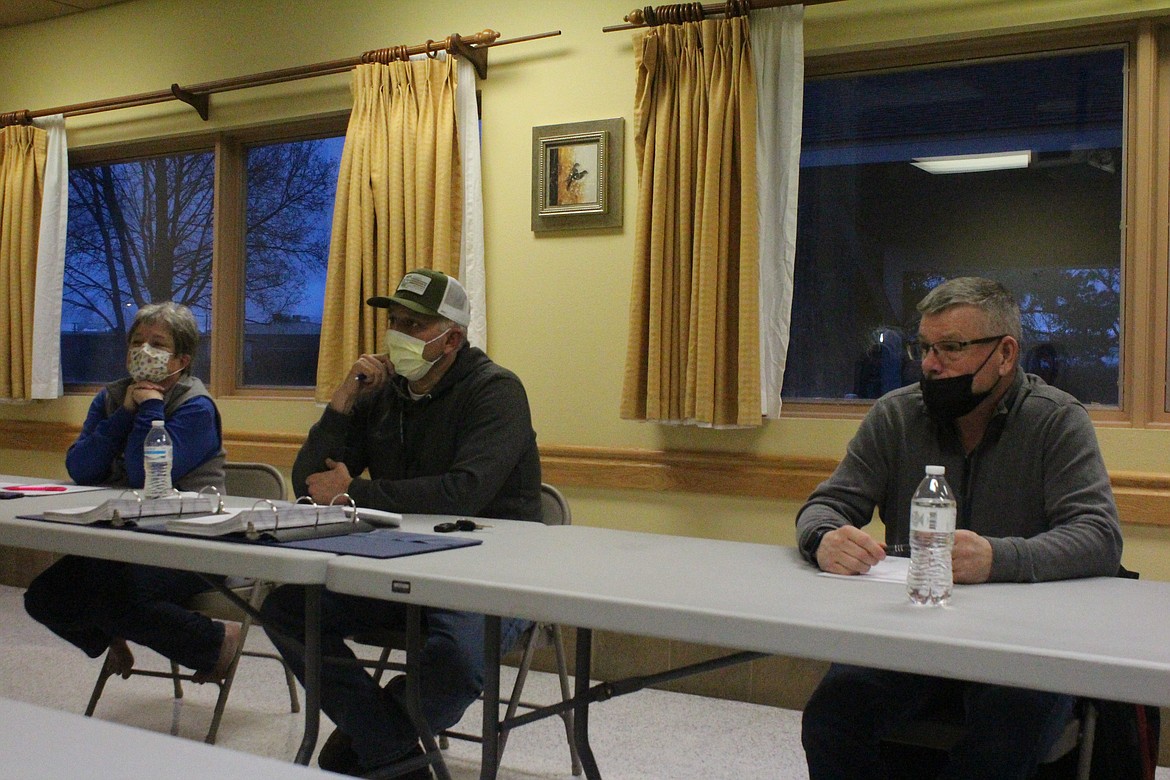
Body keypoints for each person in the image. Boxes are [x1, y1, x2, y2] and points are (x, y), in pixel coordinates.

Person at [795, 277, 1123, 779]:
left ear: (1005, 354)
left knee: (997, 746)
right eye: (924, 347)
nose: (930, 363)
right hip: (912, 630)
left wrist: (997, 558)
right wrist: (825, 538)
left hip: (1024, 641)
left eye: (951, 348)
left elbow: (1098, 535)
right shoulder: (897, 415)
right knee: (831, 717)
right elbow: (827, 506)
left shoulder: (1057, 421)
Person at [261, 269, 542, 779]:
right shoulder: (382, 393)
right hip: (401, 562)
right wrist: (342, 401)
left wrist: (356, 491)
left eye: (412, 324)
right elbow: (310, 483)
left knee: (456, 659)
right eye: (393, 320)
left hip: (491, 571)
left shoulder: (496, 391)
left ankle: (371, 742)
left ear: (451, 337)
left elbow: (465, 493)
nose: (396, 334)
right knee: (286, 609)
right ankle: (392, 750)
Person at [23, 301, 238, 685]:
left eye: (157, 344)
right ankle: (112, 632)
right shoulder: (111, 397)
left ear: (182, 359)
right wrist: (124, 413)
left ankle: (216, 642)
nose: (144, 352)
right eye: (137, 342)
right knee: (44, 596)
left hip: (191, 543)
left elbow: (145, 475)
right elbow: (81, 467)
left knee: (113, 595)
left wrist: (152, 408)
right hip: (123, 539)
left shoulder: (196, 406)